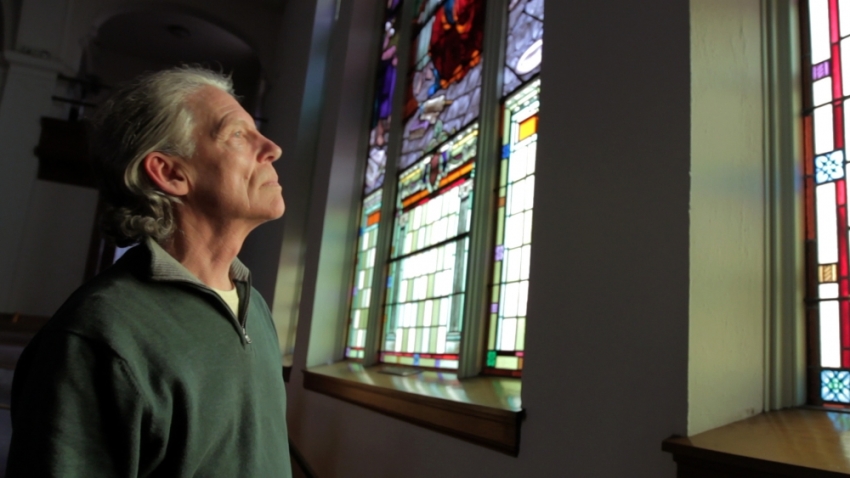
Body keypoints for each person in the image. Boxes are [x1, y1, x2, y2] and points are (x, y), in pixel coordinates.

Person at [5, 67, 292, 477]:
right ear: (171, 173)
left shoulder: (254, 305)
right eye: (238, 135)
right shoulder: (98, 336)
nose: (273, 148)